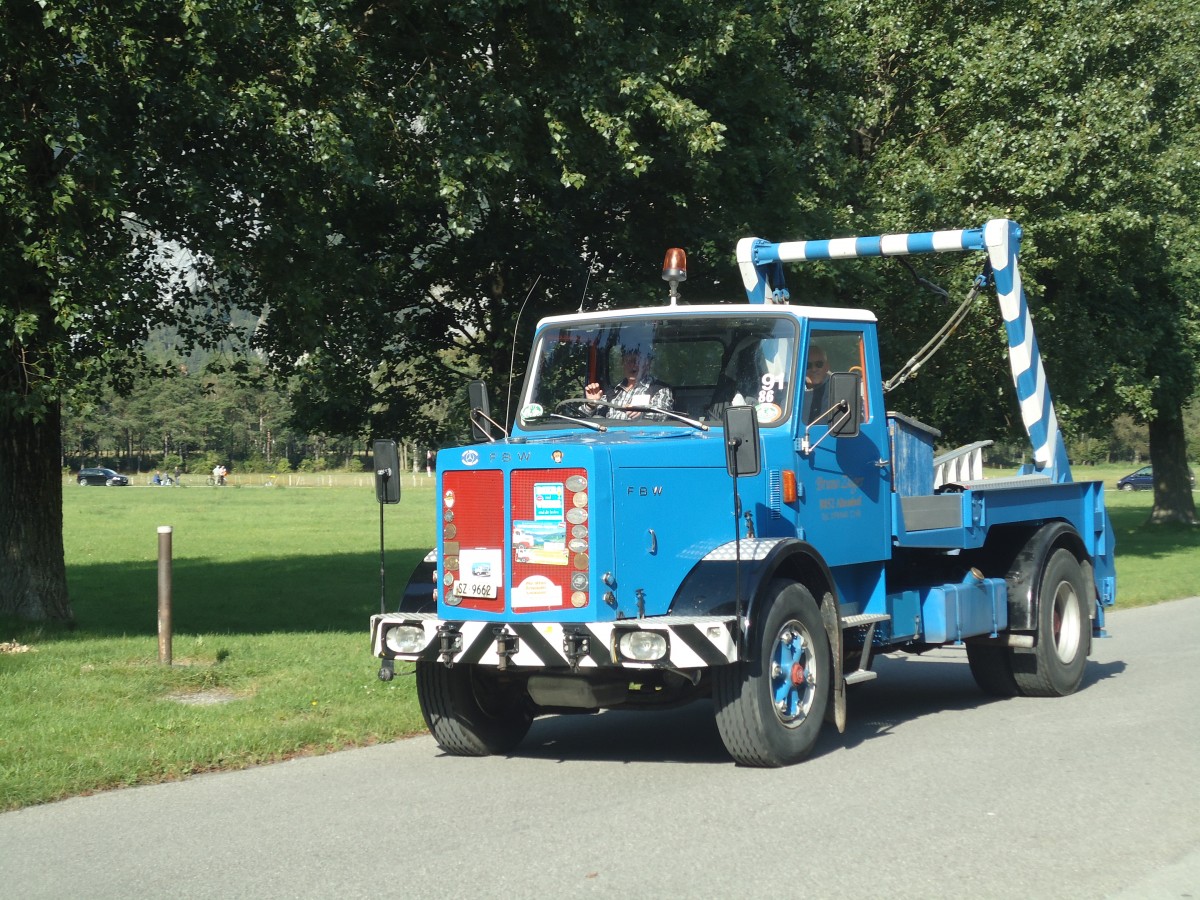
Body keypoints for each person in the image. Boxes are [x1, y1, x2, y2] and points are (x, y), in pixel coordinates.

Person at [584, 346, 673, 420]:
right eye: (628, 361)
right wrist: (591, 405)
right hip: (610, 438)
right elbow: (581, 418)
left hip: (641, 438)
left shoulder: (660, 389)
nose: (633, 365)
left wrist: (643, 413)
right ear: (622, 363)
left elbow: (662, 414)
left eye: (637, 361)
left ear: (647, 363)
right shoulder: (611, 394)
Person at [802, 344, 831, 425]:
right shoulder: (790, 394)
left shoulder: (836, 392)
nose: (814, 369)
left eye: (819, 364)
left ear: (827, 366)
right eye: (808, 365)